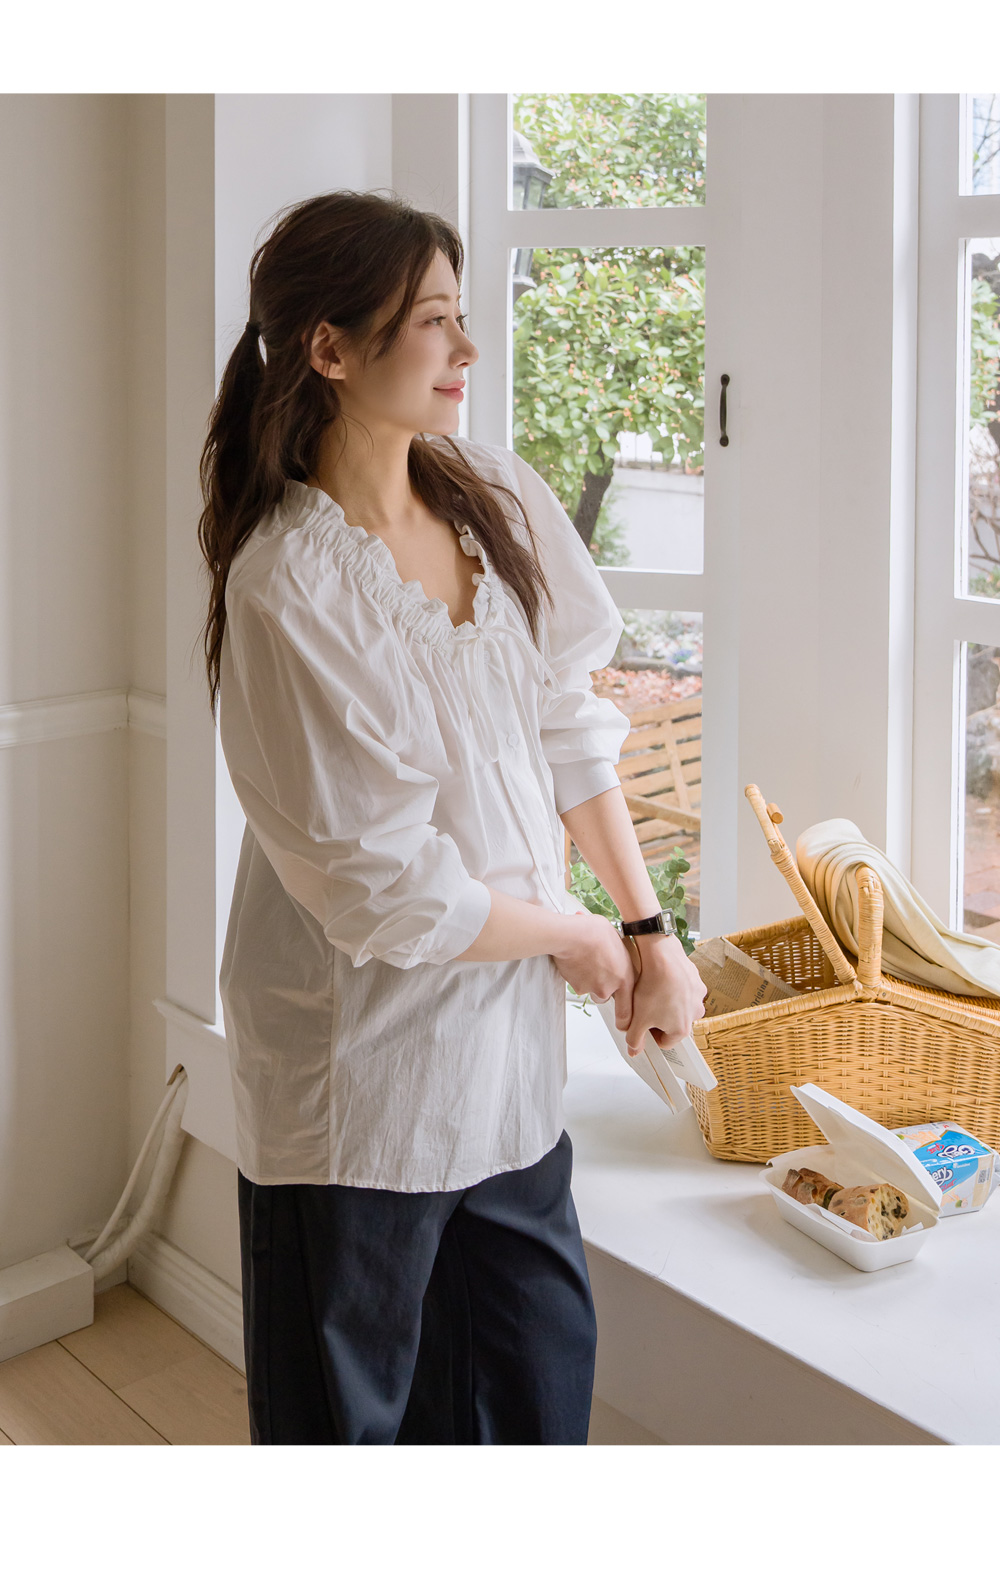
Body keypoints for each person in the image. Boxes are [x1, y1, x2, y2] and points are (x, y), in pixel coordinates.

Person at [198, 190, 706, 1446]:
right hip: (360, 1090)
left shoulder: (492, 496)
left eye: (461, 315)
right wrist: (576, 939)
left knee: (531, 1406)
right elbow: (382, 890)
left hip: (508, 1071)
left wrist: (645, 927)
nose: (467, 348)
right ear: (330, 348)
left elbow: (567, 724)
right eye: (433, 321)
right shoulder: (288, 586)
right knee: (349, 1445)